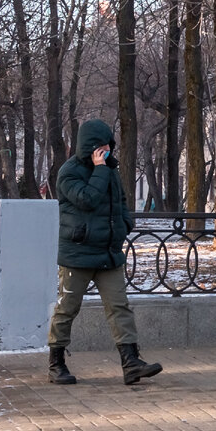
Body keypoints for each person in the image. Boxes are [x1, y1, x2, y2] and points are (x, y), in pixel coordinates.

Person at [46, 118, 162, 386]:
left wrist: (124, 224)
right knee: (67, 309)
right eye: (103, 146)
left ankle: (131, 362)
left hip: (108, 253)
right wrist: (100, 169)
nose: (108, 150)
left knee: (119, 306)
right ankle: (56, 364)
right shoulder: (69, 172)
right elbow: (87, 199)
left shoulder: (109, 170)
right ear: (91, 147)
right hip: (78, 253)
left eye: (110, 145)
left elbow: (120, 201)